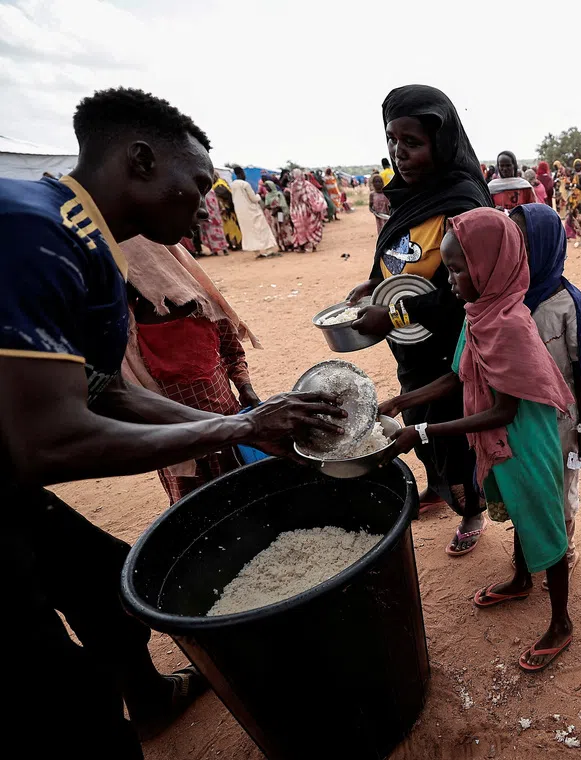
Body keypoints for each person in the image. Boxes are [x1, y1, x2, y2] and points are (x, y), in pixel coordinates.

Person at [0, 86, 343, 760]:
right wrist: (236, 429)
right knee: (60, 694)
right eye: (198, 184)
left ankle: (152, 702)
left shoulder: (89, 243)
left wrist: (247, 421)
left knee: (104, 584)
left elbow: (102, 394)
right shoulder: (32, 230)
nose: (206, 204)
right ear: (140, 160)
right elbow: (49, 441)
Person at [377, 208, 576, 672]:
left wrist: (422, 430)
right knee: (520, 512)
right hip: (500, 438)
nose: (450, 279)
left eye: (457, 268)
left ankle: (561, 622)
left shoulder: (509, 323)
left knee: (542, 519)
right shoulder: (479, 311)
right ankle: (522, 579)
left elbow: (505, 409)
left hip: (524, 439)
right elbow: (456, 375)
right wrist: (400, 402)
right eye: (449, 268)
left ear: (488, 264)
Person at [346, 84, 490, 556]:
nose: (399, 154)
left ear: (442, 142)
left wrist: (394, 313)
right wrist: (372, 284)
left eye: (412, 143)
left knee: (454, 427)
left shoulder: (463, 202)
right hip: (409, 343)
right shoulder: (411, 194)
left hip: (450, 346)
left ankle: (472, 506)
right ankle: (437, 486)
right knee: (416, 418)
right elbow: (395, 252)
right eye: (393, 140)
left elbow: (465, 293)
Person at [120, 235, 262, 503]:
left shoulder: (205, 306)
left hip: (228, 427)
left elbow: (233, 353)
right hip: (179, 445)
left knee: (244, 496)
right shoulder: (128, 337)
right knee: (199, 507)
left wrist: (246, 389)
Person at [510, 203, 581, 583]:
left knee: (561, 487)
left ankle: (564, 552)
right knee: (524, 485)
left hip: (561, 419)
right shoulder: (505, 296)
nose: (515, 252)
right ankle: (528, 555)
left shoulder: (568, 303)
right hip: (517, 415)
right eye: (510, 242)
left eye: (524, 243)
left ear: (546, 245)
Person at [230, 167, 278, 257]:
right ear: (241, 173)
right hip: (252, 211)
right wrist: (258, 196)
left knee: (249, 231)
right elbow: (253, 198)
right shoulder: (245, 184)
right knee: (262, 229)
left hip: (241, 212)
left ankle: (257, 252)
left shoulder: (232, 185)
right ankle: (269, 250)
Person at [288, 168, 326, 252]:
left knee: (300, 229)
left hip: (297, 211)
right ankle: (313, 245)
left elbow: (293, 200)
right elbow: (314, 196)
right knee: (310, 228)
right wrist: (316, 206)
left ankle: (302, 246)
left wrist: (292, 211)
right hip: (308, 211)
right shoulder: (307, 185)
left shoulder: (293, 186)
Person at [212, 170, 242, 250]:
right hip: (224, 211)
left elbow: (227, 196)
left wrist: (227, 207)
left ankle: (238, 244)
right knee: (228, 228)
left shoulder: (220, 185)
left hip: (228, 210)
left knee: (233, 227)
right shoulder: (217, 184)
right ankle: (233, 244)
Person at [262, 181, 294, 251]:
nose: (267, 188)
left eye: (267, 186)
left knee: (283, 228)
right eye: (266, 187)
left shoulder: (279, 194)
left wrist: (275, 208)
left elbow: (282, 205)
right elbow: (266, 205)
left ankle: (288, 244)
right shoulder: (267, 195)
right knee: (276, 229)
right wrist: (271, 208)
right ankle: (281, 245)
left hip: (280, 213)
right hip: (273, 214)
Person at [199, 185, 228, 255]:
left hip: (208, 216)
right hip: (215, 215)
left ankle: (215, 251)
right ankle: (224, 249)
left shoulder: (201, 192)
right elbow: (216, 203)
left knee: (210, 234)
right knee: (219, 233)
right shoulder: (211, 190)